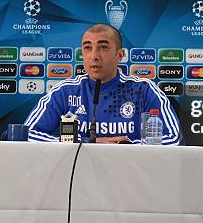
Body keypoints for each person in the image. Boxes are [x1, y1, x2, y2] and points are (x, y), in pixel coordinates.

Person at [24, 23, 182, 144]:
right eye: (87, 48)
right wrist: (87, 143)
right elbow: (27, 135)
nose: (94, 56)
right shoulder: (65, 91)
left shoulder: (144, 90)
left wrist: (124, 147)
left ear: (120, 55)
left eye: (103, 47)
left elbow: (173, 139)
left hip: (130, 178)